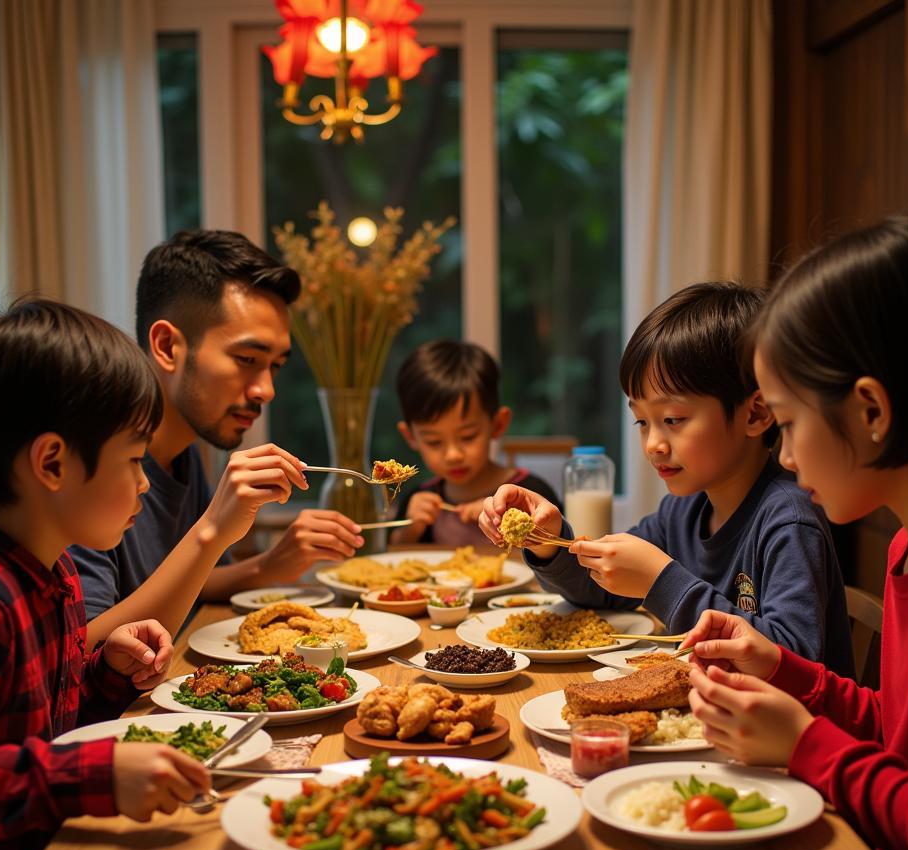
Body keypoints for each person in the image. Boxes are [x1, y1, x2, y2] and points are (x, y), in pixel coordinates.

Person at [681, 216, 908, 850]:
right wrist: (789, 671)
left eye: (789, 419)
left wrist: (808, 745)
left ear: (870, 411)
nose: (787, 454)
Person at [0, 299, 209, 850]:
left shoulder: (54, 571)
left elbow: (40, 725)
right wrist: (82, 775)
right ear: (54, 463)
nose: (147, 483)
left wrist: (104, 679)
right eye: (132, 460)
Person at [479, 283, 854, 673]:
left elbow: (796, 665)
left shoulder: (788, 520)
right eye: (642, 421)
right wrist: (548, 540)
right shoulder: (683, 509)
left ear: (755, 414)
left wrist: (661, 580)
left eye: (672, 419)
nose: (653, 444)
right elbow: (600, 591)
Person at [72, 229, 365, 647]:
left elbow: (197, 581)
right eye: (247, 360)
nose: (266, 390)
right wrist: (211, 528)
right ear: (167, 346)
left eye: (275, 366)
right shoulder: (92, 464)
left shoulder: (186, 453)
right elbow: (80, 648)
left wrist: (272, 564)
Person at [390, 339, 561, 548]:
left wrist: (511, 520)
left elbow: (561, 557)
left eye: (468, 436)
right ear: (410, 437)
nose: (453, 455)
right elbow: (394, 556)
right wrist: (411, 528)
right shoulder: (417, 499)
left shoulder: (530, 494)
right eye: (434, 441)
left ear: (498, 424)